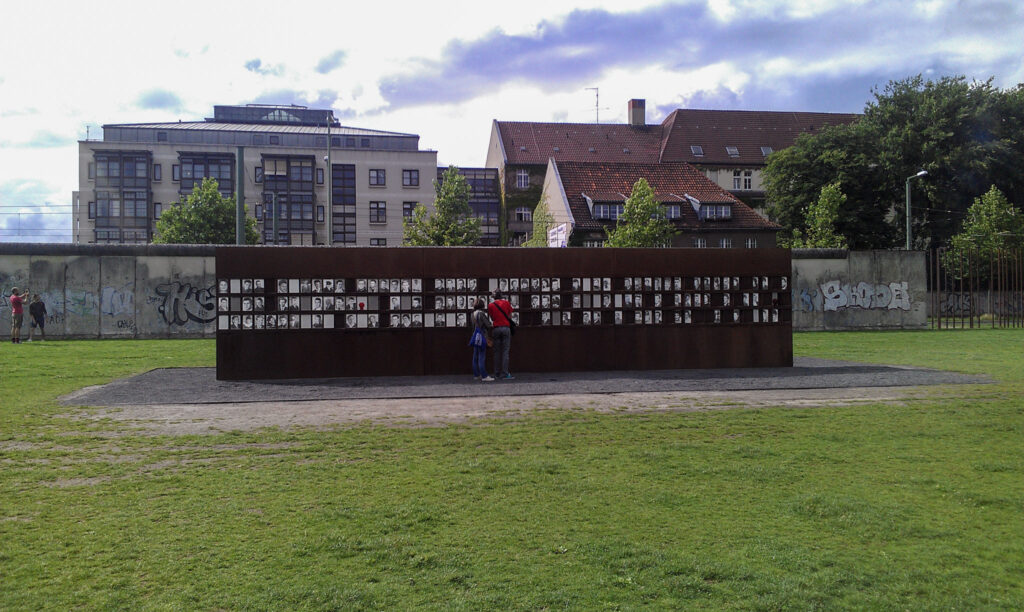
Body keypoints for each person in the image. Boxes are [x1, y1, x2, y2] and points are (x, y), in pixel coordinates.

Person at [487, 290, 515, 379]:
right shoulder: (506, 303)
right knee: (505, 351)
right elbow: (510, 316)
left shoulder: (490, 305)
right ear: (501, 295)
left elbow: (491, 318)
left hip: (496, 328)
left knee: (496, 352)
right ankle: (505, 373)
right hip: (506, 328)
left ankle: (497, 373)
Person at [469, 298, 494, 381]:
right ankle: (484, 375)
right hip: (482, 336)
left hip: (475, 336)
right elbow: (488, 325)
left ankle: (476, 374)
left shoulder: (472, 314)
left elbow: (472, 327)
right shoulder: (481, 314)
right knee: (481, 356)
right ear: (482, 305)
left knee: (475, 356)